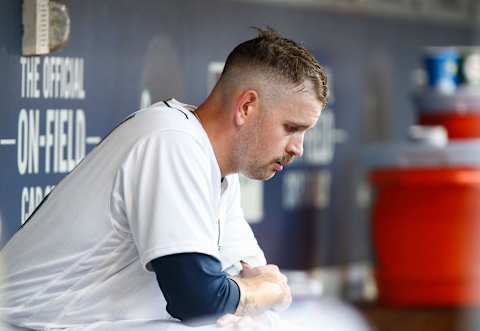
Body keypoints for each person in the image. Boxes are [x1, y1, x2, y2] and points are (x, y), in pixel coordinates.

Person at [0, 27, 328, 330]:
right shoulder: (171, 141)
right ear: (246, 106)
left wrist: (256, 293)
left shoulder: (216, 170)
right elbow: (199, 300)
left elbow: (256, 292)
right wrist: (257, 292)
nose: (298, 148)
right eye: (292, 128)